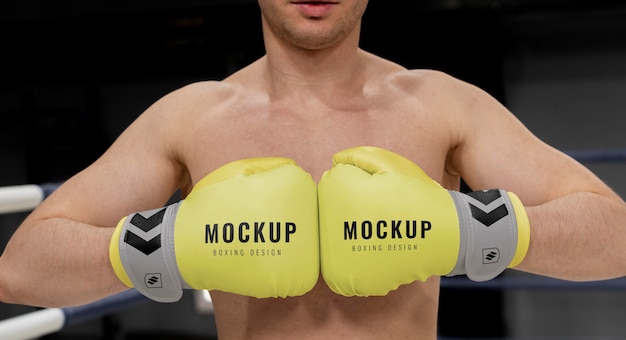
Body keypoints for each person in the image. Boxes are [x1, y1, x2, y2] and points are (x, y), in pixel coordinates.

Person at [2, 0, 626, 338]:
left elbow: (613, 235)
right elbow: (21, 268)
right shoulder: (191, 118)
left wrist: (466, 230)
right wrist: (166, 247)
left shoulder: (441, 105)